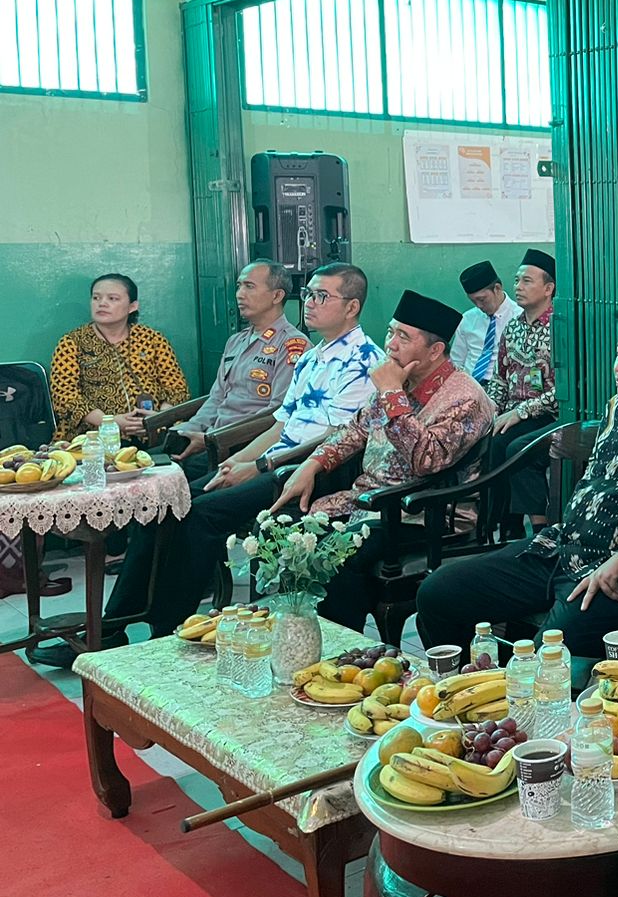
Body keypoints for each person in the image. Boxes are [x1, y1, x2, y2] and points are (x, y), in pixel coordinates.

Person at [31, 263, 382, 662]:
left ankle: (166, 631)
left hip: (308, 473)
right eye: (311, 294)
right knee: (163, 506)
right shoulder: (316, 355)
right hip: (273, 460)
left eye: (323, 296)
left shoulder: (363, 359)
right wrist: (240, 461)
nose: (311, 304)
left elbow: (333, 441)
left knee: (197, 516)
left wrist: (259, 467)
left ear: (351, 307)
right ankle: (114, 626)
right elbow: (281, 423)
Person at [414, 305, 618, 656]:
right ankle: (480, 685)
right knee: (437, 593)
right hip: (557, 549)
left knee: (545, 655)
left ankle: (516, 693)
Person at [270, 290, 494, 631]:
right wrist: (312, 465)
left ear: (435, 350)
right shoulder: (399, 376)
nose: (391, 344)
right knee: (284, 531)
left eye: (403, 336)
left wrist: (392, 395)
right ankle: (299, 635)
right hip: (368, 502)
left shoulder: (465, 397)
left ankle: (345, 649)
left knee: (337, 553)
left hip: (422, 515)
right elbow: (355, 430)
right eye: (391, 332)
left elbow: (426, 462)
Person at [166, 262, 308, 479]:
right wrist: (188, 430)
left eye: (249, 287)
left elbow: (276, 413)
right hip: (210, 439)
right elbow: (217, 397)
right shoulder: (236, 340)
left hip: (243, 448)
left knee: (175, 489)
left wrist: (211, 439)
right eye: (239, 286)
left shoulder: (292, 345)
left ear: (277, 296)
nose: (240, 294)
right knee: (148, 467)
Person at [49, 273, 189, 441]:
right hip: (92, 438)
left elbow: (177, 389)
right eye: (96, 298)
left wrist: (158, 419)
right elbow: (65, 395)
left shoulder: (152, 339)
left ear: (132, 306)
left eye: (113, 298)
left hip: (153, 433)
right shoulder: (72, 343)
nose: (102, 303)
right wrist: (111, 422)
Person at [483, 249, 559, 537]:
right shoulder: (512, 327)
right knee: (491, 438)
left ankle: (537, 529)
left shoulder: (559, 327)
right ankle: (501, 523)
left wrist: (522, 412)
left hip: (547, 413)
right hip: (513, 412)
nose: (518, 287)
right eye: (516, 280)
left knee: (515, 445)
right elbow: (501, 376)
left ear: (548, 288)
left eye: (527, 281)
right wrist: (492, 407)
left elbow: (564, 389)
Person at [448, 260, 520, 385]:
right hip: (470, 385)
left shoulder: (520, 317)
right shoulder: (468, 319)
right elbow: (456, 360)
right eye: (473, 301)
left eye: (482, 299)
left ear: (497, 288)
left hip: (504, 386)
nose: (479, 306)